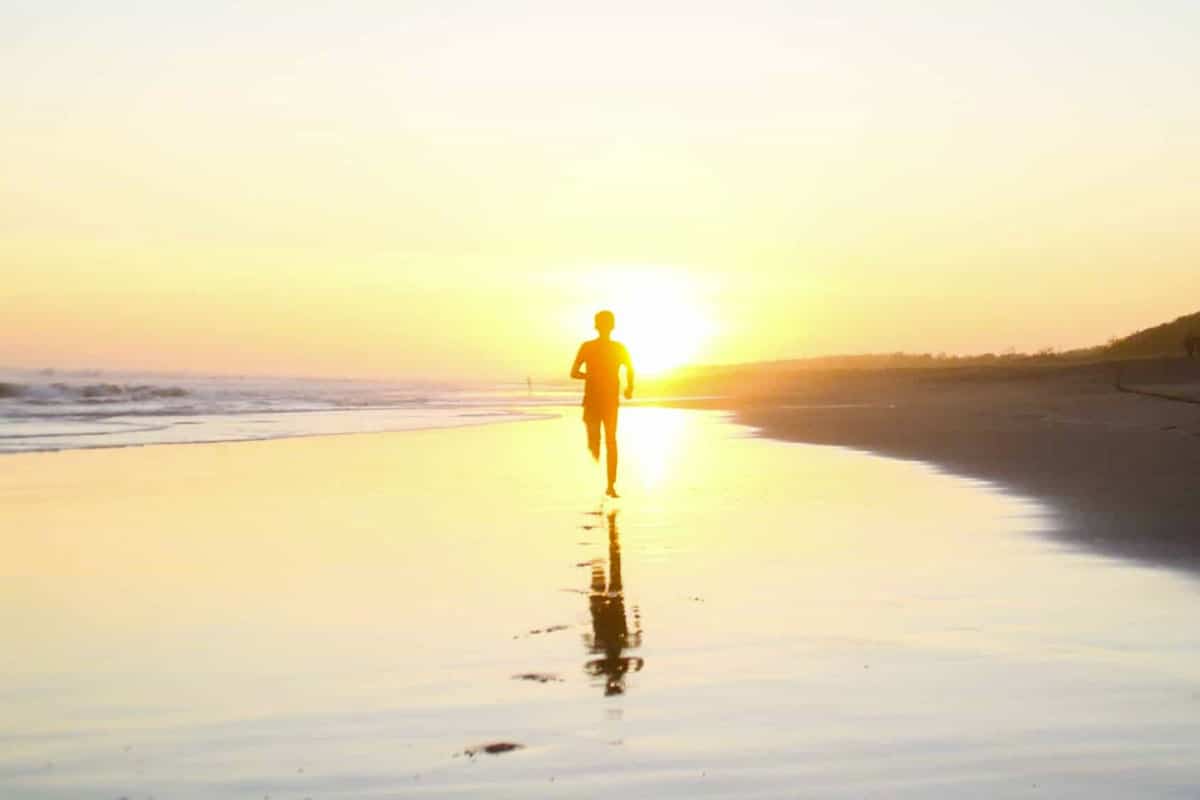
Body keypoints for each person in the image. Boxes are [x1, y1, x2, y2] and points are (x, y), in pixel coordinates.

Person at [570, 310, 634, 497]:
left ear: (596, 325)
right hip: (604, 400)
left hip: (600, 400)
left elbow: (574, 373)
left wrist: (589, 376)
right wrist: (629, 387)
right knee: (608, 441)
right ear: (611, 326)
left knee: (605, 441)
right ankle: (610, 485)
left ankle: (610, 485)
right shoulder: (613, 347)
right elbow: (630, 369)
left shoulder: (591, 347)